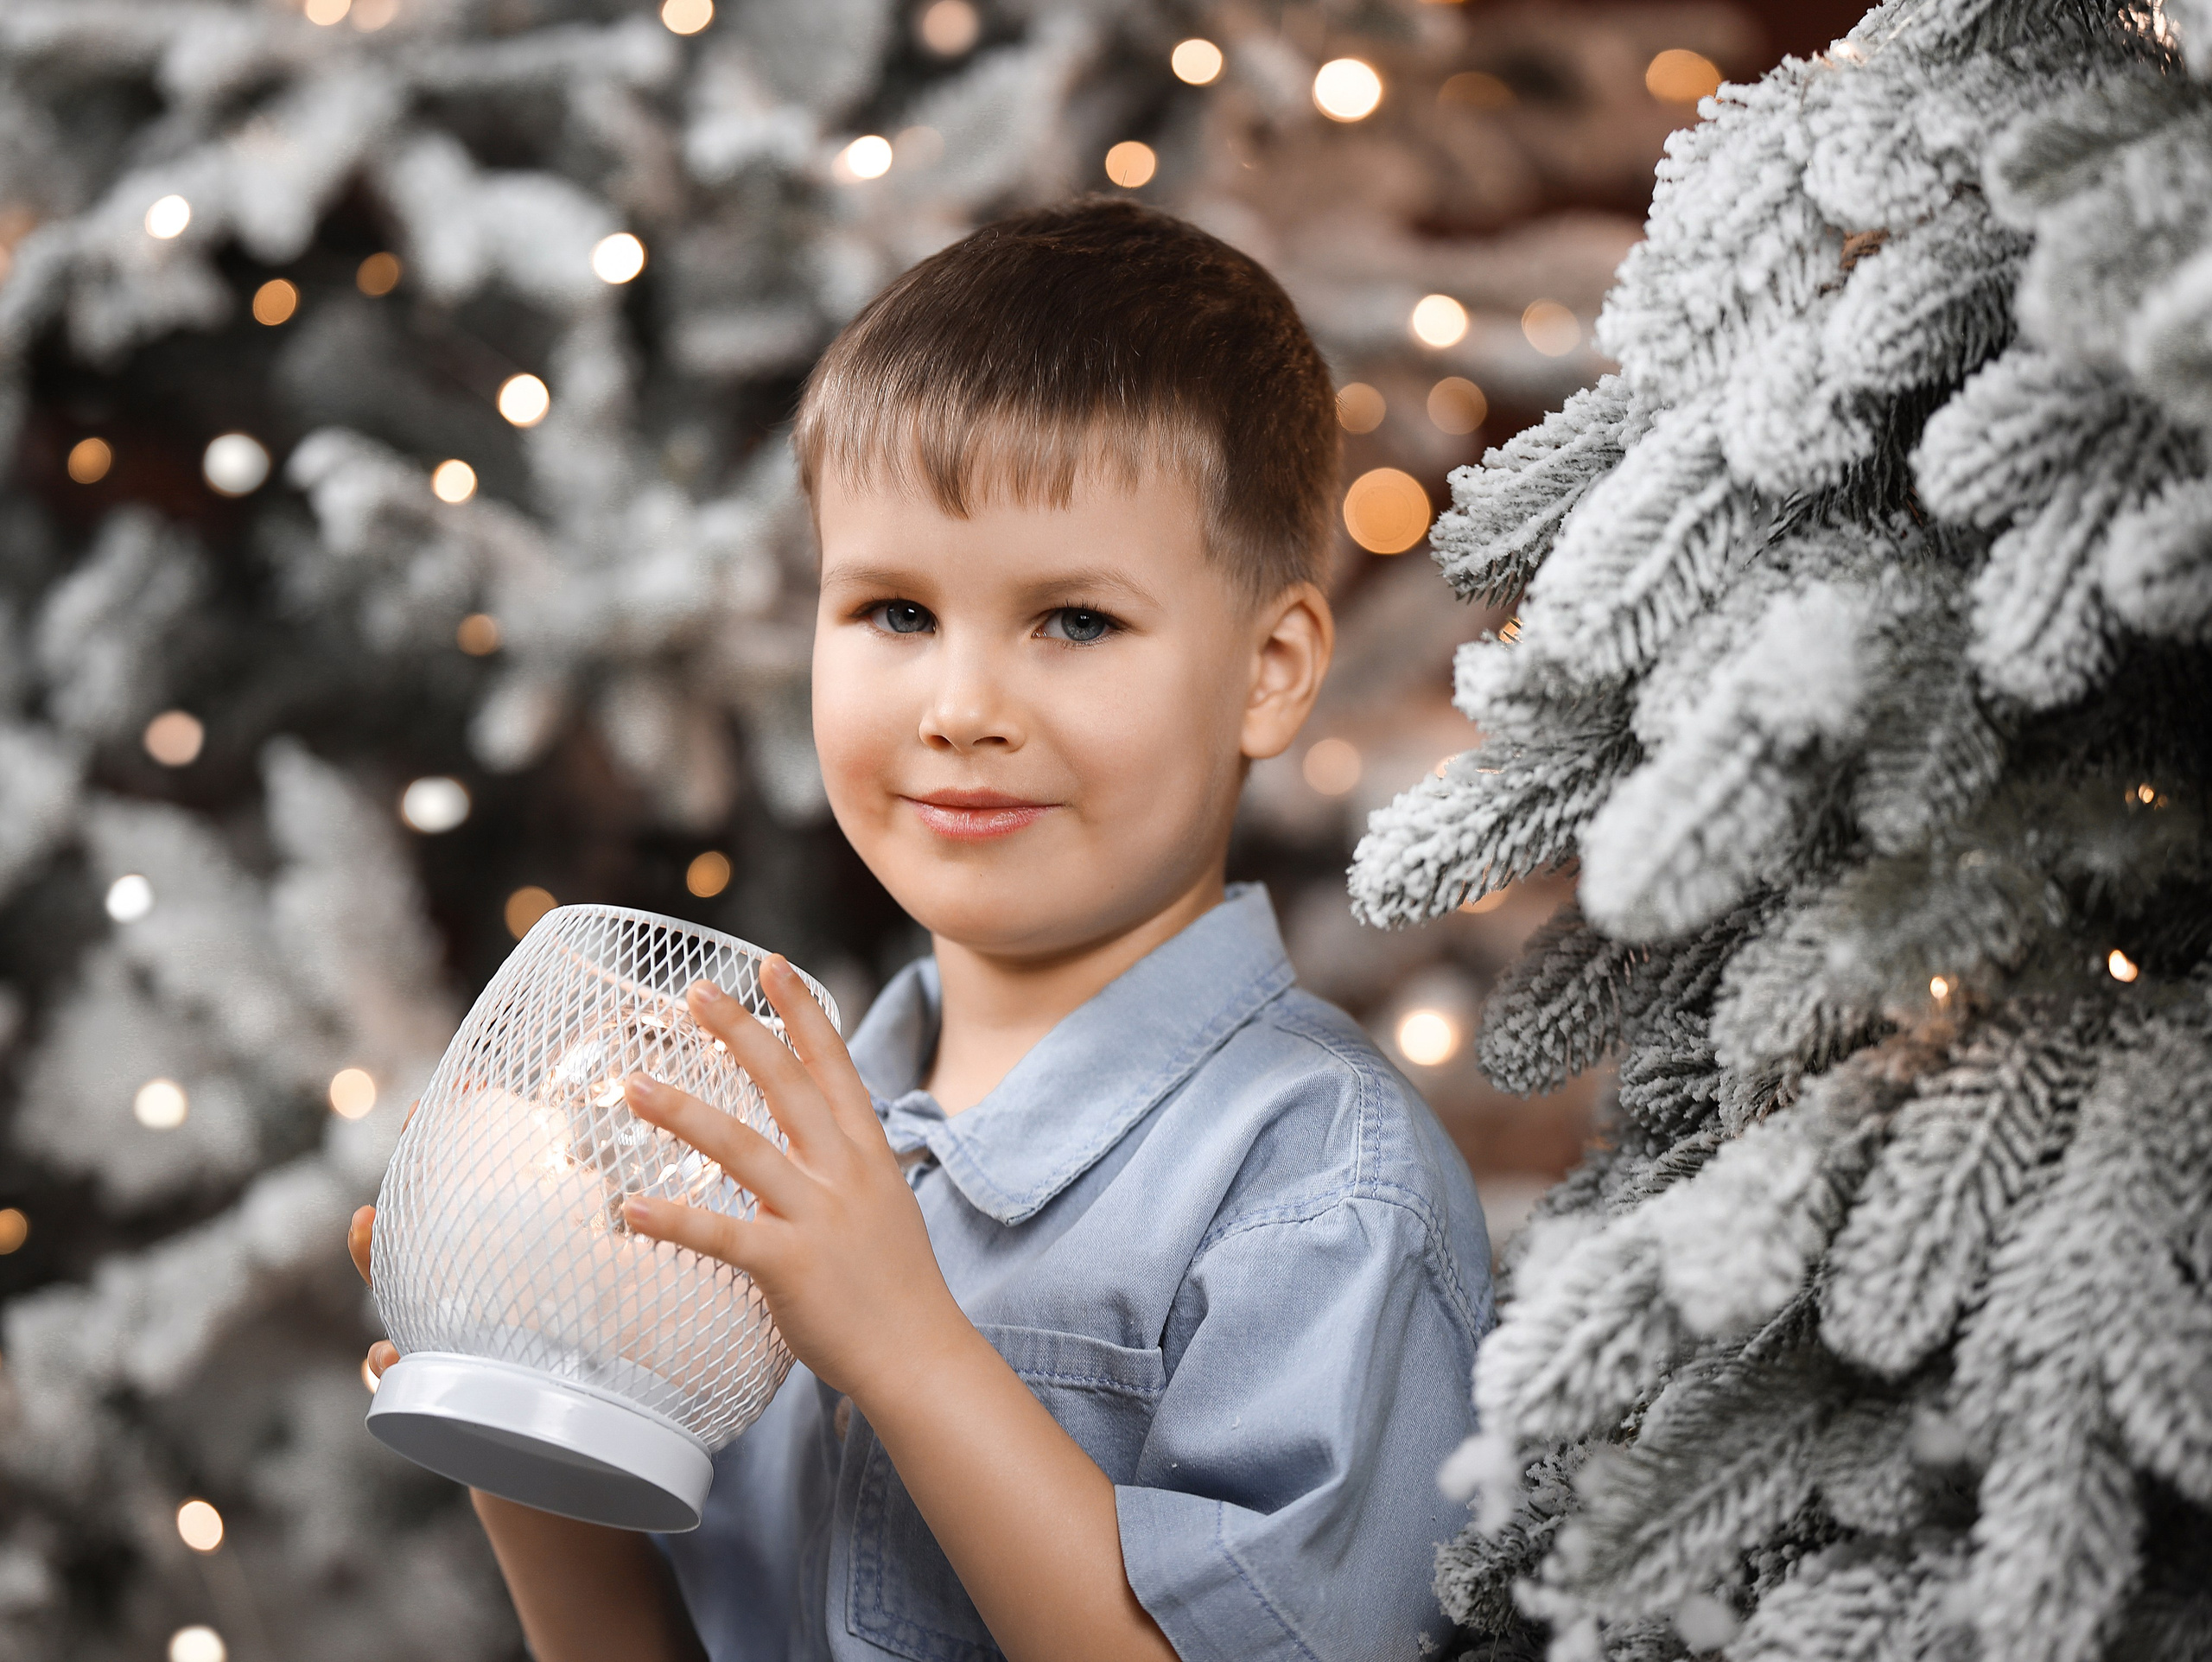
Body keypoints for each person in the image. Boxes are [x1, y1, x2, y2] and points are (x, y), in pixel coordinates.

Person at [347, 199, 1493, 1662]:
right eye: (892, 611)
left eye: (1073, 621)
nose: (961, 707)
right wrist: (532, 1447)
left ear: (1269, 671)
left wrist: (901, 1344)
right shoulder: (770, 1144)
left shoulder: (1320, 1186)